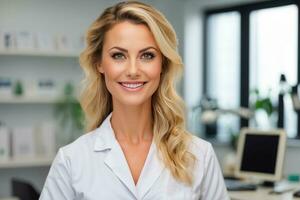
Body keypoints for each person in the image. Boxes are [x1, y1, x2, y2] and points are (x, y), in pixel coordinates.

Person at [40, 1, 228, 199]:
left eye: (147, 55)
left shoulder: (199, 155)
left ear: (162, 64)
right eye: (118, 55)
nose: (132, 71)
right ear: (99, 64)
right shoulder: (71, 160)